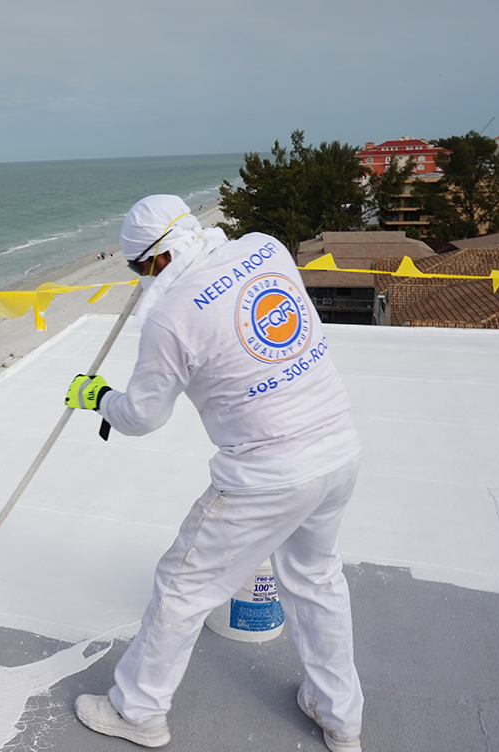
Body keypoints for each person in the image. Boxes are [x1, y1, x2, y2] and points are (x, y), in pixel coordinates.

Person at [64, 195, 364, 751]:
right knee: (317, 582)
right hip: (338, 450)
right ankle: (339, 718)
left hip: (267, 473)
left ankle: (138, 712)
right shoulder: (266, 250)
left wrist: (98, 397)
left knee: (182, 589)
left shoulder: (168, 318)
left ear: (152, 262)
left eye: (136, 269)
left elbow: (143, 417)